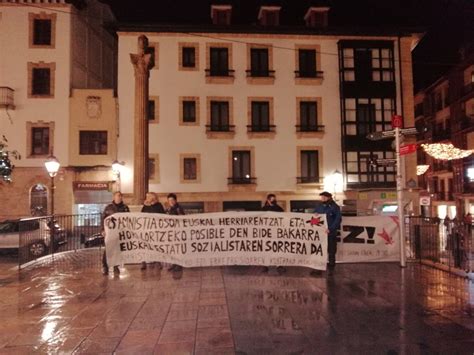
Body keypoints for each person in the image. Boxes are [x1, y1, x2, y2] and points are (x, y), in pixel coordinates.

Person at [313, 191, 341, 275]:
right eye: (321, 197)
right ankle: (319, 268)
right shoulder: (319, 206)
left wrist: (331, 229)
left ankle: (331, 268)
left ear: (328, 197)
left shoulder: (334, 207)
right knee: (320, 250)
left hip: (330, 233)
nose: (322, 199)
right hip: (320, 233)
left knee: (331, 250)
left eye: (323, 197)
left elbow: (338, 219)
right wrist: (315, 216)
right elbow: (314, 217)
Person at [102, 191, 130, 275]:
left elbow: (129, 219)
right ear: (114, 197)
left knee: (118, 250)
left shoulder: (125, 208)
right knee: (108, 249)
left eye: (121, 196)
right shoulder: (108, 208)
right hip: (110, 232)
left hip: (120, 232)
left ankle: (116, 266)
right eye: (118, 196)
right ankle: (105, 266)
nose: (120, 197)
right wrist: (102, 230)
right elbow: (103, 219)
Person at [261, 194, 285, 274]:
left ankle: (279, 265)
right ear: (268, 200)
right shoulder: (264, 209)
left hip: (276, 232)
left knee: (277, 248)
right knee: (267, 248)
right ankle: (265, 265)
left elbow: (283, 216)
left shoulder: (278, 208)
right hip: (267, 232)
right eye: (271, 199)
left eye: (274, 199)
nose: (273, 200)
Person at [140, 192, 165, 270]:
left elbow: (162, 215)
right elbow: (141, 215)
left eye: (148, 196)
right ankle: (143, 262)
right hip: (146, 229)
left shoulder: (159, 205)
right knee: (144, 246)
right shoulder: (145, 206)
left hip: (156, 229)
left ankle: (158, 262)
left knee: (156, 246)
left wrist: (151, 205)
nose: (146, 198)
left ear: (153, 197)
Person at [166, 193, 185, 271]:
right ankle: (174, 263)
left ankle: (179, 264)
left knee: (178, 249)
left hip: (178, 231)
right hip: (171, 231)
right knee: (173, 249)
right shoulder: (168, 209)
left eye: (172, 200)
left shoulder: (178, 208)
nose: (171, 201)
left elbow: (182, 218)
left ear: (175, 200)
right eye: (169, 200)